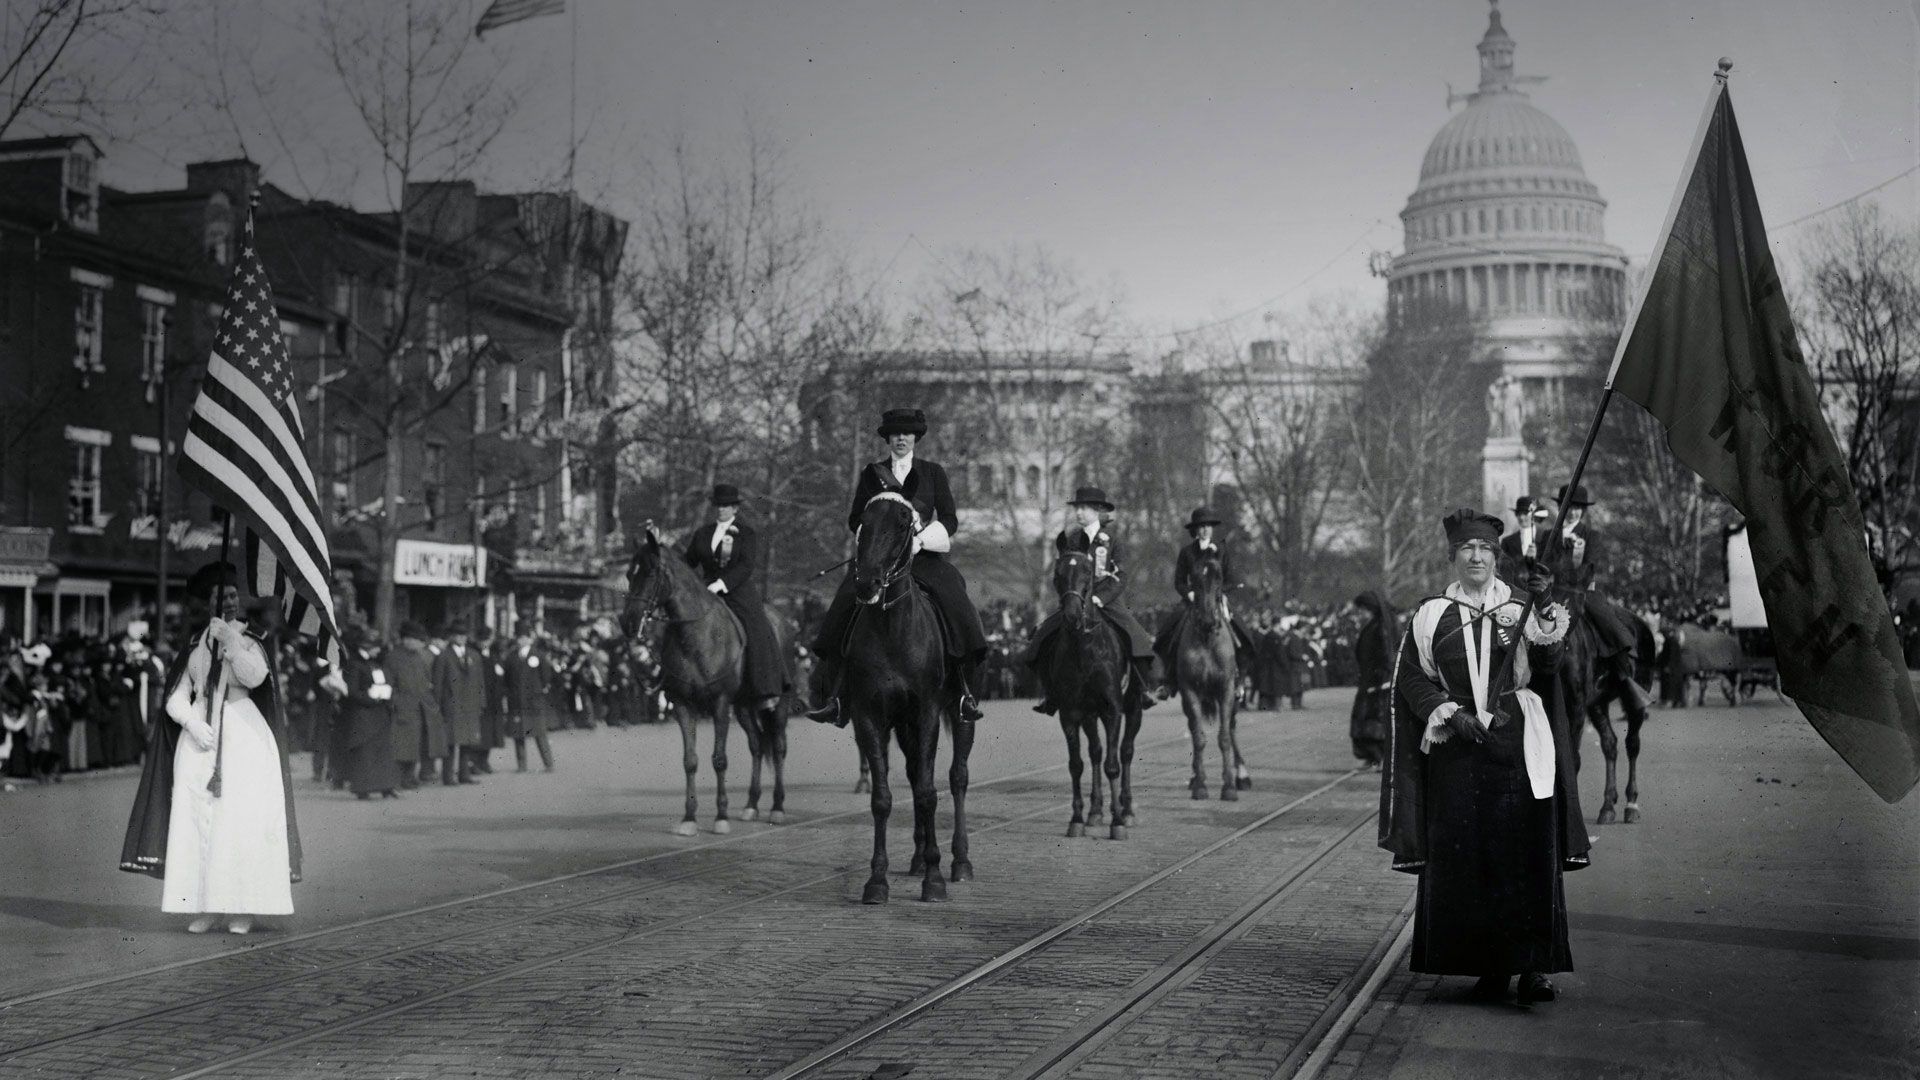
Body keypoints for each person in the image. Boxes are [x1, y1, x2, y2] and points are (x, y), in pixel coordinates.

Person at [1379, 509, 1590, 1006]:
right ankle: (1489, 967)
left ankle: (1535, 968)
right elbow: (1411, 677)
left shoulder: (1520, 609)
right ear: (1452, 557)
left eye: (1486, 551)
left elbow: (1550, 662)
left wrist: (1541, 601)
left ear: (1498, 558)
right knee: (1470, 858)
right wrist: (1448, 713)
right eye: (1467, 550)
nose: (1477, 557)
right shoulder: (1431, 614)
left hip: (1518, 741)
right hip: (1458, 748)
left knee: (1527, 852)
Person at [120, 560, 300, 934]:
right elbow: (176, 695)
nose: (230, 602)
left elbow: (255, 676)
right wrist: (191, 722)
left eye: (233, 595)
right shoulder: (195, 645)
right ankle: (206, 904)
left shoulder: (252, 639)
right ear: (208, 602)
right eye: (221, 596)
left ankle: (242, 907)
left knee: (239, 821)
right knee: (200, 823)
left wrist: (232, 642)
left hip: (242, 733)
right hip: (202, 738)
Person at [804, 407, 989, 727]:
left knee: (956, 604)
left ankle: (962, 692)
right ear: (888, 439)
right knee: (842, 607)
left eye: (906, 434)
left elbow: (948, 518)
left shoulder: (933, 472)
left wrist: (921, 540)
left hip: (923, 557)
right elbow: (854, 519)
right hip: (879, 559)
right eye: (895, 434)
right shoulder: (871, 474)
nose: (901, 439)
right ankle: (836, 696)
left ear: (915, 438)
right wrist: (874, 542)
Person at [1022, 486, 1159, 714]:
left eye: (1083, 508)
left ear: (1097, 510)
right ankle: (1050, 693)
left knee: (1138, 638)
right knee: (1042, 637)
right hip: (1075, 603)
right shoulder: (1072, 539)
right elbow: (1064, 573)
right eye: (1077, 508)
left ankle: (1143, 689)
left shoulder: (1113, 541)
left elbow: (1120, 575)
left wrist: (1098, 597)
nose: (1079, 513)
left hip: (1106, 603)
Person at [1539, 484, 1652, 710]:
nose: (1572, 512)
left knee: (1609, 623)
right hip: (1554, 592)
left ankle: (1622, 674)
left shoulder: (1592, 536)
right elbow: (1543, 566)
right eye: (1568, 506)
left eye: (1578, 508)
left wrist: (1570, 564)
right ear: (1561, 507)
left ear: (1583, 510)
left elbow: (1589, 568)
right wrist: (1560, 554)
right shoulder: (1548, 537)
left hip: (1584, 591)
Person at [682, 483, 792, 707]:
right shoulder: (702, 534)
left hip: (737, 590)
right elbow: (689, 562)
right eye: (719, 506)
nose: (722, 509)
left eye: (727, 506)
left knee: (757, 627)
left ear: (735, 509)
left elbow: (746, 566)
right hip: (706, 592)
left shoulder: (746, 534)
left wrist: (722, 584)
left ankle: (765, 688)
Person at [1151, 507, 1256, 696]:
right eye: (1201, 527)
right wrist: (1189, 594)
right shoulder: (1187, 552)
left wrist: (1221, 593)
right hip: (1193, 600)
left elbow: (1231, 579)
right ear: (1195, 530)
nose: (1205, 530)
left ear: (1212, 529)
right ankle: (1168, 680)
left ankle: (1239, 679)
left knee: (1242, 631)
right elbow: (1179, 581)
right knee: (1169, 629)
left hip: (1216, 599)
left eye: (1208, 526)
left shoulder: (1222, 550)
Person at [338, 624, 401, 800]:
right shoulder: (355, 664)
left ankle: (386, 786)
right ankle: (363, 787)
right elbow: (351, 691)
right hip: (363, 714)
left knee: (383, 750)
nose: (378, 650)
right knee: (365, 752)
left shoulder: (376, 663)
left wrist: (386, 693)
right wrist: (370, 696)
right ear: (366, 647)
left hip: (379, 712)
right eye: (375, 647)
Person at [388, 621, 444, 787]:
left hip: (421, 706)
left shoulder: (421, 656)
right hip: (403, 706)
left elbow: (428, 680)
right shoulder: (393, 657)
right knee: (403, 746)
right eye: (417, 640)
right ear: (407, 639)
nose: (420, 643)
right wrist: (396, 701)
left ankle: (411, 776)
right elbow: (390, 683)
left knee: (417, 744)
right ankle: (401, 778)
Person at [433, 620, 488, 784]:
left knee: (468, 741)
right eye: (458, 635)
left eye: (464, 635)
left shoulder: (474, 655)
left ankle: (464, 774)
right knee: (450, 741)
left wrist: (481, 702)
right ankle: (448, 776)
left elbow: (480, 681)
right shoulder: (443, 656)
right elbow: (438, 683)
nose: (461, 638)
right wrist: (438, 704)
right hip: (451, 704)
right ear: (451, 637)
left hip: (470, 703)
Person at [1349, 591, 1396, 767]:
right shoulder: (1371, 627)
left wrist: (1382, 679)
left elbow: (1386, 656)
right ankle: (1371, 757)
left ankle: (1379, 757)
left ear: (1371, 610)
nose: (1359, 614)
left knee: (1376, 719)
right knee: (1365, 718)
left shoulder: (1380, 629)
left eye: (1362, 610)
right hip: (1368, 680)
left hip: (1378, 683)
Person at [503, 628, 555, 772]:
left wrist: (540, 690)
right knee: (518, 734)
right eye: (519, 638)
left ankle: (548, 763)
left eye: (524, 638)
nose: (521, 641)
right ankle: (521, 765)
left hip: (534, 701)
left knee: (540, 733)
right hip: (517, 701)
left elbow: (546, 676)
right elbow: (507, 679)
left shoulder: (538, 656)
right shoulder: (511, 657)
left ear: (529, 639)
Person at [1497, 495, 1549, 585]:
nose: (1521, 517)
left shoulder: (1545, 537)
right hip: (1517, 589)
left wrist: (1534, 558)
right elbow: (1504, 569)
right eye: (1519, 514)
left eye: (1525, 513)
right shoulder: (1507, 542)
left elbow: (1550, 566)